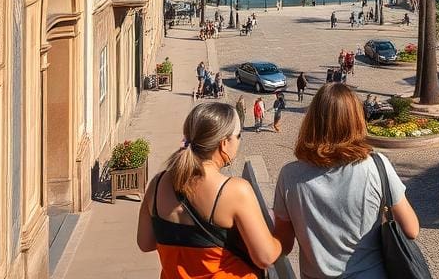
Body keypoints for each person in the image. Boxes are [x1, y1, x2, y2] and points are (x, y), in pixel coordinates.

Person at [272, 83, 420, 278]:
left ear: (312, 121)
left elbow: (284, 244)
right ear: (356, 120)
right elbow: (411, 229)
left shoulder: (289, 176)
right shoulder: (377, 166)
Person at [136, 102, 282, 278]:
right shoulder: (234, 191)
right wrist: (281, 240)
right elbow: (265, 257)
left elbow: (145, 243)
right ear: (224, 143)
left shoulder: (157, 184)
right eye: (238, 135)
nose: (239, 141)